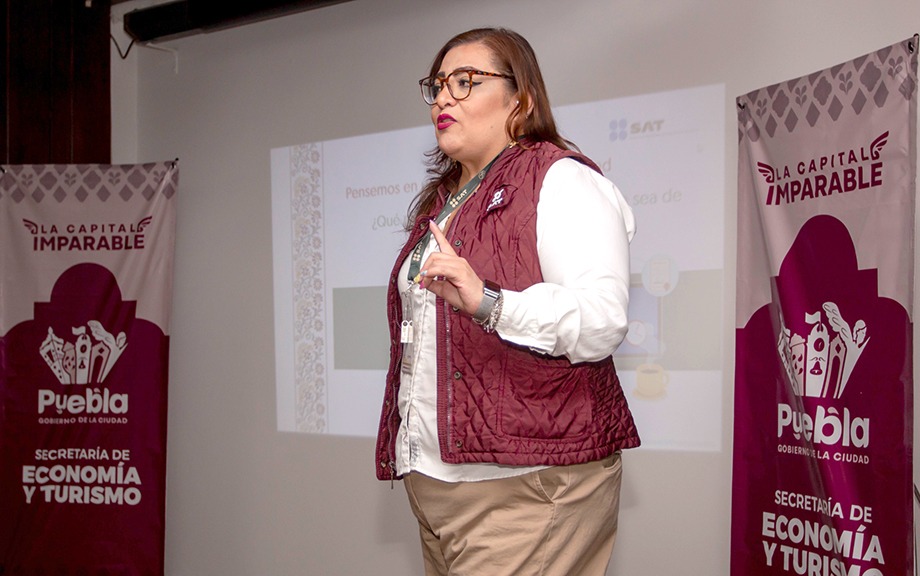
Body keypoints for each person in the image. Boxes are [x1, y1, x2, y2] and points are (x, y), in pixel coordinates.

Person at [375, 27, 639, 576]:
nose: (443, 98)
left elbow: (602, 319)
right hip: (439, 487)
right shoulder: (446, 202)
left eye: (465, 82)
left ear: (521, 99)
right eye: (437, 85)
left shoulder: (562, 179)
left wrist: (490, 302)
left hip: (527, 489)